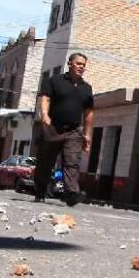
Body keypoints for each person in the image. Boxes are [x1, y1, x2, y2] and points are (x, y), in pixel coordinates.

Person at [33, 52, 94, 206]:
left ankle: (71, 194)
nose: (81, 67)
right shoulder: (55, 81)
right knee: (45, 162)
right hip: (52, 128)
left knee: (72, 162)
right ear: (70, 63)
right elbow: (45, 98)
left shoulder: (87, 88)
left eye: (84, 65)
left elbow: (88, 113)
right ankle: (40, 191)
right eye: (78, 63)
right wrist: (44, 114)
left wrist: (87, 134)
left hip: (73, 131)